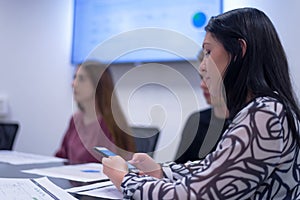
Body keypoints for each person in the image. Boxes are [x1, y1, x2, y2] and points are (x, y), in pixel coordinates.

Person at [102, 7, 300, 199]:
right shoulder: (270, 108)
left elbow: (194, 195)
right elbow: (214, 169)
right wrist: (161, 172)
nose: (202, 67)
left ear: (239, 50)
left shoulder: (263, 115)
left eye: (208, 52)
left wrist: (123, 178)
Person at [55, 61, 136, 164]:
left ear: (98, 84)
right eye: (74, 77)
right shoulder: (75, 120)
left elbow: (121, 167)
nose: (73, 84)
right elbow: (62, 156)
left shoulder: (111, 123)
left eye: (81, 79)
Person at [174, 50, 228, 163]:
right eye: (202, 77)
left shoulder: (248, 123)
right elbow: (177, 169)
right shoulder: (196, 121)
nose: (202, 85)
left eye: (210, 78)